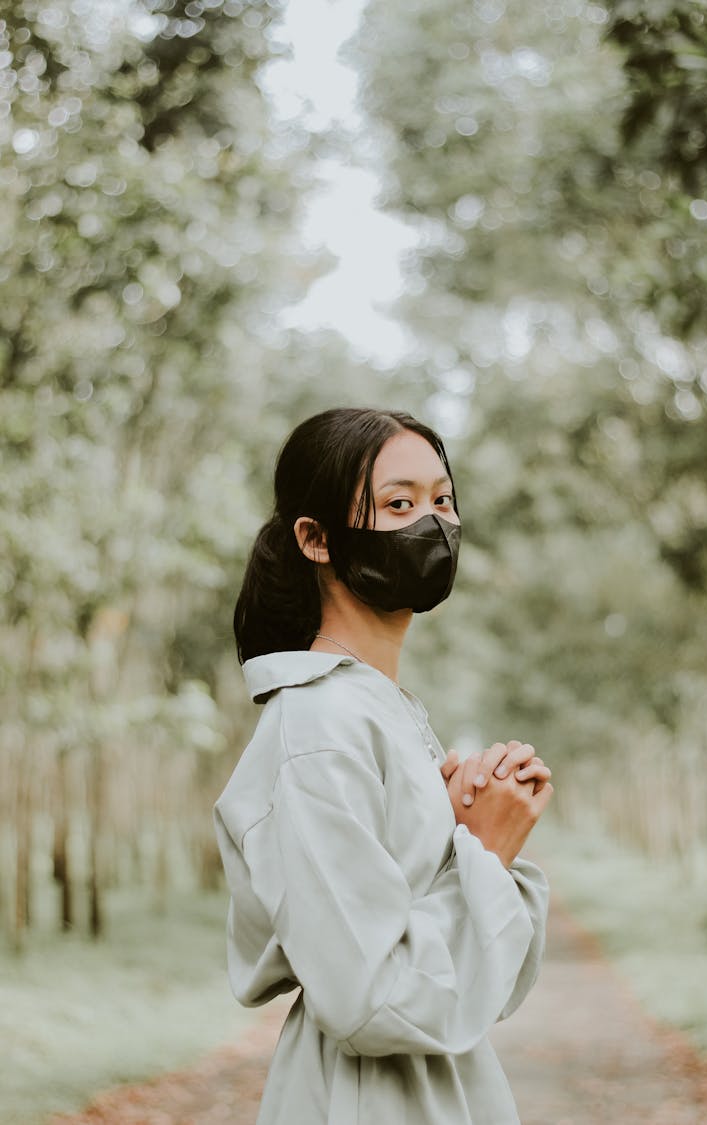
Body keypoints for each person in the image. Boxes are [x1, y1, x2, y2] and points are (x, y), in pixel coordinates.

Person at [213, 406, 553, 1124]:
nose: (432, 523)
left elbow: (481, 988)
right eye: (400, 503)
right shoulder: (318, 725)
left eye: (442, 500)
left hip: (441, 1087)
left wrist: (463, 844)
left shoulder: (381, 710)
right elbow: (369, 997)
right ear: (315, 538)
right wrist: (485, 852)